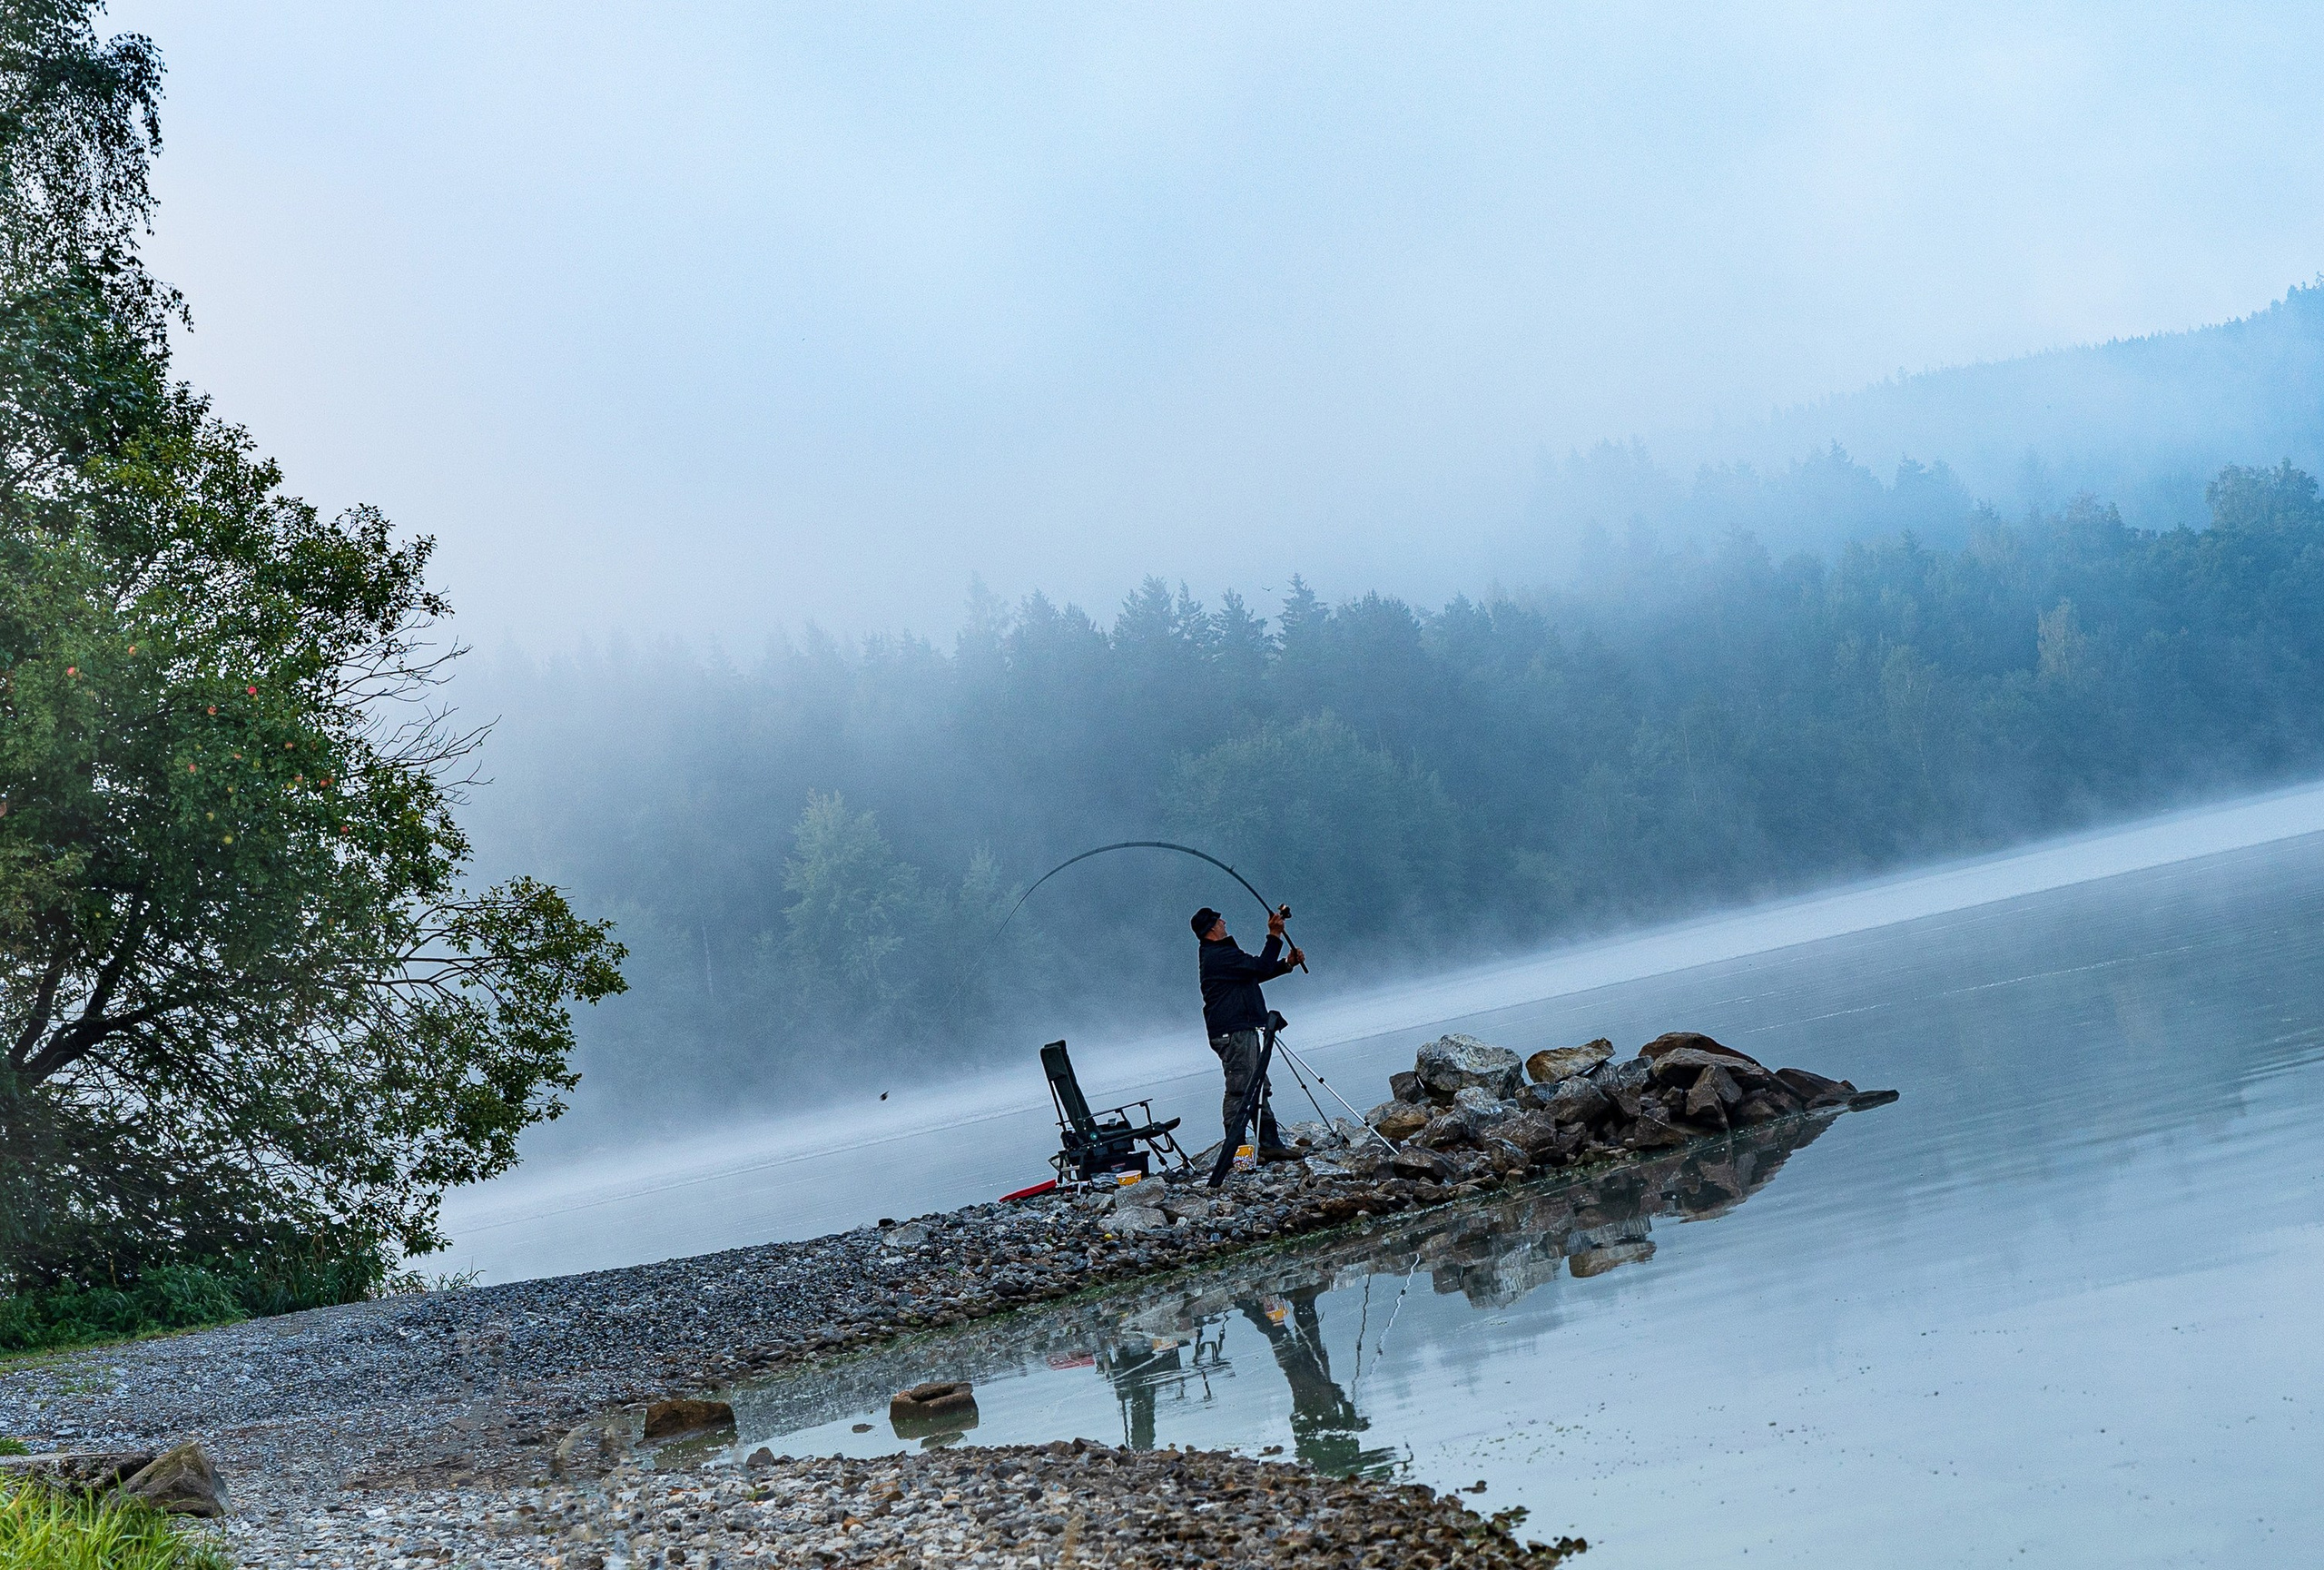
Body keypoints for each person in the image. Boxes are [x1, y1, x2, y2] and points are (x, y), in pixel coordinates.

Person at [1193, 904, 1306, 1159]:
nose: (1224, 921)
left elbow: (1254, 973)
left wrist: (1286, 964)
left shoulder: (1221, 953)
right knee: (1240, 1089)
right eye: (1219, 920)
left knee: (1255, 1085)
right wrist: (1274, 935)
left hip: (1240, 1028)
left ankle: (1269, 1143)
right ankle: (1236, 1151)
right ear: (1211, 928)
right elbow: (1260, 967)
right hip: (1233, 1032)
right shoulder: (1218, 956)